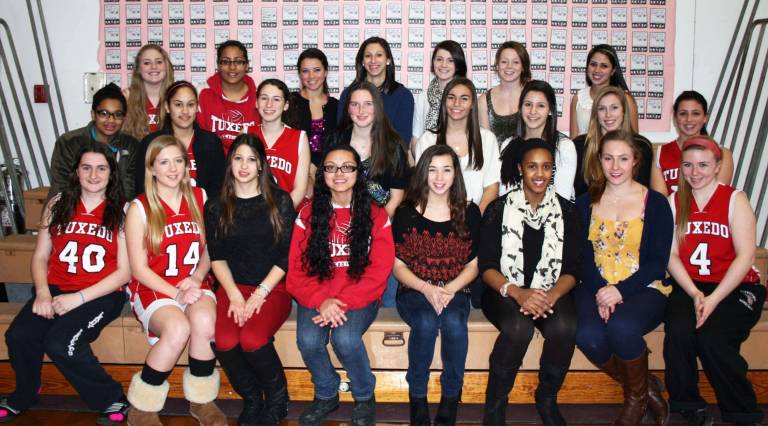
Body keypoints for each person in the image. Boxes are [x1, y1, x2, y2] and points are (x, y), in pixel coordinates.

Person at [1, 144, 130, 425]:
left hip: (100, 294)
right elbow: (40, 257)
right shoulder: (57, 204)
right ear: (76, 172)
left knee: (62, 344)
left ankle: (112, 398)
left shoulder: (121, 211)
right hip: (56, 288)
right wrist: (43, 292)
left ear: (112, 174)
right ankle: (25, 393)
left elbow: (124, 273)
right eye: (86, 167)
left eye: (101, 168)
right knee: (18, 336)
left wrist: (79, 298)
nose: (93, 175)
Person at [287, 146, 394, 426]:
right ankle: (326, 393)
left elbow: (379, 271)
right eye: (331, 167)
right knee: (308, 340)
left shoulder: (375, 215)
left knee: (345, 338)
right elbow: (296, 272)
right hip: (317, 296)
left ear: (359, 174)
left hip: (359, 295)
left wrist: (341, 302)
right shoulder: (308, 214)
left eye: (347, 167)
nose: (339, 174)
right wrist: (323, 300)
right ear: (322, 174)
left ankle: (363, 395)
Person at [124, 136, 225, 426]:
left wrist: (196, 277)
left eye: (178, 161)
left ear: (187, 164)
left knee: (205, 323)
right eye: (164, 162)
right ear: (152, 168)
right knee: (178, 328)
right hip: (153, 287)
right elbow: (138, 268)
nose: (172, 168)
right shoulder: (139, 208)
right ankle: (142, 406)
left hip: (193, 284)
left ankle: (202, 400)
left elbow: (210, 248)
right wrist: (175, 293)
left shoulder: (201, 197)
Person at [663, 137, 764, 426]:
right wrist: (695, 293)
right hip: (692, 284)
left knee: (712, 339)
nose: (695, 172)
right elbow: (671, 255)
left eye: (704, 165)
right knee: (679, 331)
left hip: (737, 286)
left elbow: (745, 257)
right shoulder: (676, 200)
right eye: (688, 165)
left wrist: (714, 299)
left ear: (718, 166)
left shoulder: (735, 199)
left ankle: (743, 411)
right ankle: (687, 403)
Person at [479, 140, 581, 426]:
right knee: (518, 327)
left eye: (546, 167)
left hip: (551, 290)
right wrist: (519, 293)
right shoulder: (498, 209)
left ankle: (546, 399)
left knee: (565, 326)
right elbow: (486, 266)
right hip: (503, 290)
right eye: (532, 166)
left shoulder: (568, 212)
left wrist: (549, 296)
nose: (540, 173)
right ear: (520, 169)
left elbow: (573, 268)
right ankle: (495, 406)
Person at [575, 129, 672, 426]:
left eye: (623, 158)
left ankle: (634, 402)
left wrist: (619, 291)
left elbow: (658, 262)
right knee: (587, 335)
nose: (615, 166)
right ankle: (648, 393)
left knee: (622, 327)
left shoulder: (655, 202)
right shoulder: (584, 201)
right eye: (608, 158)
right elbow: (580, 256)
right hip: (594, 284)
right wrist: (603, 290)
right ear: (599, 161)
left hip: (643, 286)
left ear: (635, 161)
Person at [205, 135, 295, 425]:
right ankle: (253, 399)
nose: (244, 165)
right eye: (238, 158)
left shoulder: (279, 201)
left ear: (261, 165)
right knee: (226, 341)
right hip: (233, 286)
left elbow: (285, 257)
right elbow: (216, 256)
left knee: (252, 339)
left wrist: (259, 293)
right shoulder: (216, 205)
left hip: (273, 287)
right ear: (230, 163)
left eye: (251, 159)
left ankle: (278, 401)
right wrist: (232, 294)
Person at [393, 145, 480, 426]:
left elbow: (474, 264)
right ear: (423, 173)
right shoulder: (406, 211)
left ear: (456, 174)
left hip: (455, 289)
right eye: (432, 170)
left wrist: (449, 289)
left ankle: (451, 397)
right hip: (414, 290)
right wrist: (427, 288)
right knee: (426, 322)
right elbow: (397, 265)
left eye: (446, 169)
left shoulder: (469, 211)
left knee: (454, 322)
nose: (439, 177)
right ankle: (417, 396)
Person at [413, 77, 500, 214]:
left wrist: (475, 219)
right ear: (444, 102)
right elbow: (422, 186)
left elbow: (491, 187)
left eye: (464, 98)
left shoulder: (488, 139)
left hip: (476, 219)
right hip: (436, 219)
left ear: (472, 104)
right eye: (451, 97)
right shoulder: (427, 140)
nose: (456, 103)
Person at [325, 80, 408, 218]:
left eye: (368, 104)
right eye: (355, 104)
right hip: (339, 220)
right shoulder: (335, 139)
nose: (361, 111)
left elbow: (396, 198)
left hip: (381, 222)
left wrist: (374, 229)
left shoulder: (393, 145)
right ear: (348, 108)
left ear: (377, 107)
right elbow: (325, 187)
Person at [133, 80, 226, 200]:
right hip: (160, 214)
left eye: (190, 104)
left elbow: (218, 189)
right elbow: (143, 187)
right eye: (178, 105)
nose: (185, 111)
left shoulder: (211, 142)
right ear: (167, 107)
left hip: (202, 214)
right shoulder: (151, 143)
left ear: (197, 107)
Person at [48, 83, 139, 201]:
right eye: (104, 113)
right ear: (93, 114)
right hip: (73, 208)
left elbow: (129, 190)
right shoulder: (69, 142)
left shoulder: (130, 145)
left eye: (118, 114)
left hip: (116, 210)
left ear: (124, 118)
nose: (111, 120)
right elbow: (61, 187)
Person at [499, 80, 577, 200]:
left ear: (550, 110)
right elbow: (504, 194)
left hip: (555, 215)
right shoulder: (508, 144)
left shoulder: (563, 147)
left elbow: (562, 198)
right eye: (528, 104)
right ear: (520, 108)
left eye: (540, 105)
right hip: (513, 214)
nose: (533, 111)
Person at [573, 86, 653, 197]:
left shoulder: (641, 146)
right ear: (596, 114)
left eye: (614, 108)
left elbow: (642, 191)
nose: (608, 115)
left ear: (624, 111)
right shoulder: (579, 146)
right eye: (602, 109)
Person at [651, 91, 734, 195]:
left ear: (705, 117)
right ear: (675, 117)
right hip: (670, 210)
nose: (689, 119)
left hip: (707, 211)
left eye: (696, 113)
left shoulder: (723, 154)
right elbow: (661, 200)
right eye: (683, 113)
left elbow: (718, 197)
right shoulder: (659, 153)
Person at [339, 37, 414, 149]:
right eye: (368, 56)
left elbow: (403, 140)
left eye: (379, 55)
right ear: (362, 62)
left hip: (389, 161)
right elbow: (341, 133)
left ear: (388, 60)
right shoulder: (348, 94)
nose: (373, 60)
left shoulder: (403, 96)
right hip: (353, 160)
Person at [250, 79, 311, 208]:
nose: (269, 104)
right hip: (252, 214)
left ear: (286, 105)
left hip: (286, 214)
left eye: (276, 99)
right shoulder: (246, 134)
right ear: (256, 102)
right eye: (264, 98)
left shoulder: (299, 138)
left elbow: (300, 189)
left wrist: (281, 215)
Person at [198, 40, 260, 154]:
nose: (232, 67)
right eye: (226, 62)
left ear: (246, 65)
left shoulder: (260, 99)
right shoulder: (201, 95)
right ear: (218, 65)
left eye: (238, 61)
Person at [569, 44, 638, 138]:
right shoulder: (578, 99)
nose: (597, 70)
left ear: (613, 71)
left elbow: (634, 141)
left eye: (604, 66)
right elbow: (573, 140)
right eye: (593, 64)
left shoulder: (625, 99)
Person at [287, 48, 340, 167]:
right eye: (305, 71)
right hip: (294, 169)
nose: (311, 76)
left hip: (328, 172)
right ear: (299, 74)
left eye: (317, 70)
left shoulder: (336, 106)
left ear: (325, 72)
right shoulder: (289, 103)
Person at [411, 40, 467, 146]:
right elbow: (416, 139)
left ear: (458, 64)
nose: (443, 65)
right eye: (439, 59)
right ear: (433, 62)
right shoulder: (423, 97)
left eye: (450, 60)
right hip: (426, 158)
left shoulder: (465, 97)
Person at [478, 41, 531, 148]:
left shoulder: (532, 96)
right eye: (504, 62)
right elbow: (486, 144)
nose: (509, 67)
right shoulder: (484, 101)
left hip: (527, 161)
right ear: (497, 66)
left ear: (523, 67)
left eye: (515, 62)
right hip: (495, 162)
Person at [122, 44, 175, 141]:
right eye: (147, 63)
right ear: (138, 69)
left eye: (159, 62)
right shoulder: (126, 98)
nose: (154, 66)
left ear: (166, 66)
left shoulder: (176, 98)